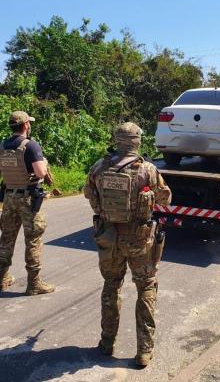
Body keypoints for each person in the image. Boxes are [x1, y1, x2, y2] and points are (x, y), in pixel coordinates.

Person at [84, 122, 172, 367]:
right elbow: (166, 198)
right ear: (137, 142)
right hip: (139, 239)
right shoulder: (148, 169)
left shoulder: (99, 167)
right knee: (146, 288)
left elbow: (90, 196)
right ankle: (144, 351)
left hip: (108, 239)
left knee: (111, 285)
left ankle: (106, 343)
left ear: (117, 139)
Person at [0, 111, 55, 295]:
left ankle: (2, 278)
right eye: (29, 123)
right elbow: (40, 172)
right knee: (33, 239)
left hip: (9, 197)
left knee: (6, 238)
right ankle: (34, 284)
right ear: (25, 125)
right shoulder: (30, 146)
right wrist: (44, 163)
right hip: (27, 199)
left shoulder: (3, 145)